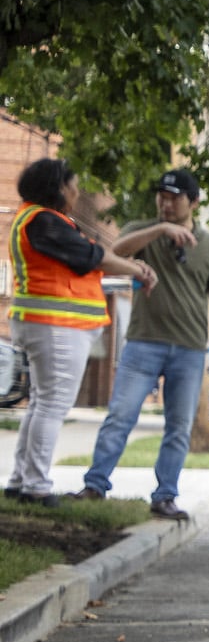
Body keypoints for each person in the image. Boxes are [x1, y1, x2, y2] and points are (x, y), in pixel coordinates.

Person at [75, 169, 209, 520]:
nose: (165, 202)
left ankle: (165, 496)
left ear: (193, 202)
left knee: (178, 427)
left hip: (190, 349)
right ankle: (95, 485)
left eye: (174, 197)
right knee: (120, 415)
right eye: (161, 195)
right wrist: (161, 229)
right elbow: (113, 251)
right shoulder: (141, 231)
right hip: (143, 344)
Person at [6, 159, 157, 507]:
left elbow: (83, 268)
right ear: (58, 188)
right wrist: (136, 268)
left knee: (42, 404)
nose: (76, 193)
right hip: (55, 326)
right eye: (73, 186)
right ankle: (36, 487)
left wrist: (129, 271)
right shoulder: (42, 221)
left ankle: (21, 480)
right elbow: (91, 256)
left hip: (49, 323)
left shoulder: (40, 220)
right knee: (52, 405)